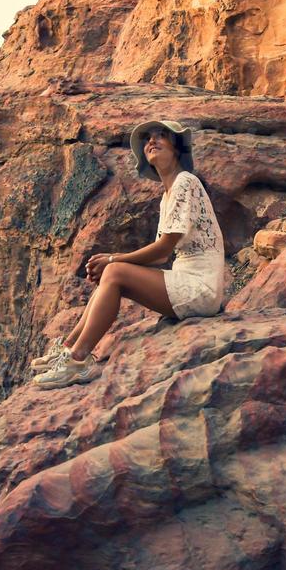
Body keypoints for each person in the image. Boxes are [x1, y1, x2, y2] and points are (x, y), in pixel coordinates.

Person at [31, 120, 229, 390]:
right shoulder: (167, 195)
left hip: (200, 288)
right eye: (148, 138)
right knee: (111, 277)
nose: (152, 141)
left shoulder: (186, 182)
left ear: (176, 147)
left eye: (162, 136)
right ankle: (67, 349)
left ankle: (77, 361)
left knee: (114, 271)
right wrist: (113, 264)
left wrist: (114, 259)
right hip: (186, 280)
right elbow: (161, 256)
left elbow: (162, 250)